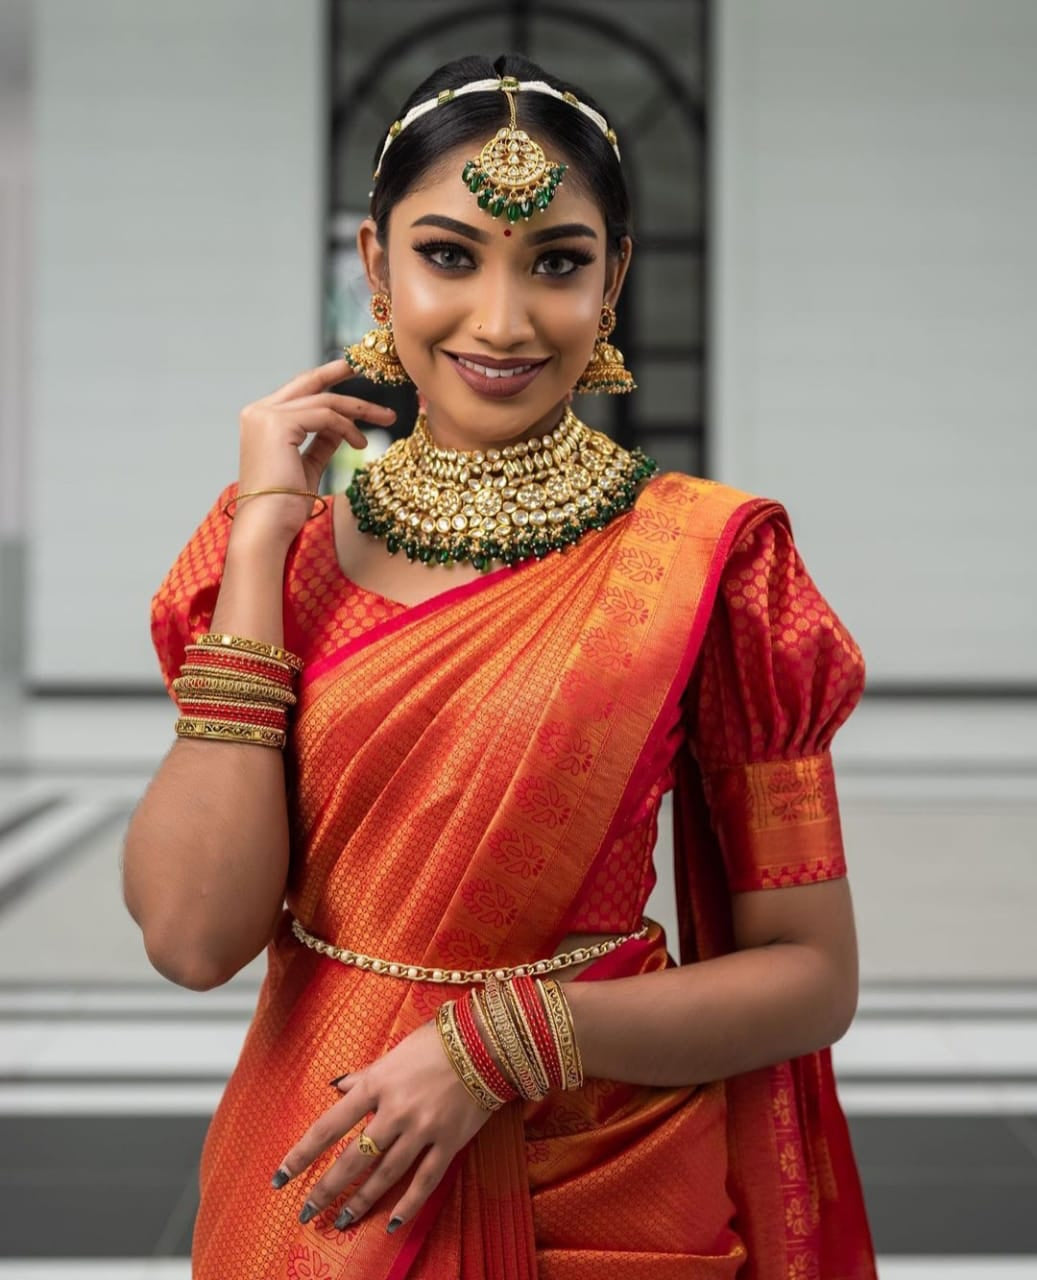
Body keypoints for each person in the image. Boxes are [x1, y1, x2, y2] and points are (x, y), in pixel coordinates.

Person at [122, 52, 878, 1280]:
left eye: (558, 262)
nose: (502, 319)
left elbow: (808, 977)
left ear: (613, 277)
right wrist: (262, 541)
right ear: (375, 266)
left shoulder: (714, 564)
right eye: (449, 254)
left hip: (599, 1180)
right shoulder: (269, 558)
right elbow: (195, 937)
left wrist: (506, 1039)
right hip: (325, 1169)